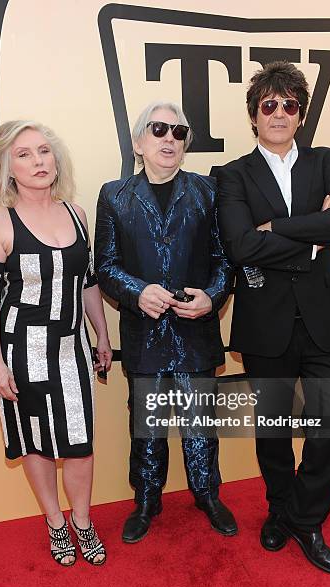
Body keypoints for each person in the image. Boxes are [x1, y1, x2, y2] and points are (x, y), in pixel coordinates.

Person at [217, 61, 330, 573]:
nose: (279, 113)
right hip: (265, 323)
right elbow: (240, 245)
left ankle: (303, 517)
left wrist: (277, 228)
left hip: (323, 319)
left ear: (301, 114)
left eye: (290, 105)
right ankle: (280, 508)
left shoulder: (325, 160)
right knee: (274, 429)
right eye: (269, 105)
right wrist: (314, 237)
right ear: (254, 115)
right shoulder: (233, 174)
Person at [94, 101, 237, 543]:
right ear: (139, 142)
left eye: (179, 131)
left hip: (196, 331)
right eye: (159, 130)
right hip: (143, 335)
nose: (170, 139)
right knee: (147, 426)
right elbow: (105, 265)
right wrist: (137, 291)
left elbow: (225, 260)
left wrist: (212, 298)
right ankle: (146, 500)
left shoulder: (209, 192)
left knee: (201, 424)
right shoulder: (113, 194)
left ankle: (207, 495)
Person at [0, 120, 112, 567]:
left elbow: (87, 281)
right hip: (22, 351)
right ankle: (55, 522)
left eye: (44, 151)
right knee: (35, 443)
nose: (38, 161)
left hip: (71, 349)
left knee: (79, 443)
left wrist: (102, 332)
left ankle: (83, 521)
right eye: (24, 154)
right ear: (7, 168)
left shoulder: (76, 213)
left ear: (56, 160)